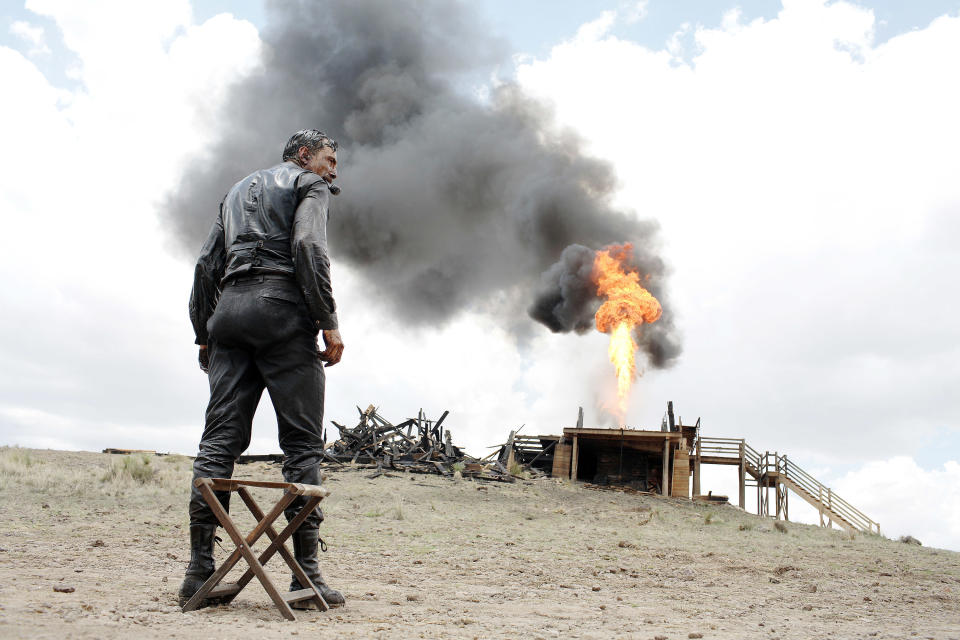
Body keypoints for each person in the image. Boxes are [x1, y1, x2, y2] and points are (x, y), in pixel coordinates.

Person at [180, 129, 346, 609]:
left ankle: (198, 574)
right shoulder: (307, 186)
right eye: (329, 160)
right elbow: (309, 249)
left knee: (217, 446)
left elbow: (205, 265)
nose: (334, 171)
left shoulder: (234, 192)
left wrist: (204, 331)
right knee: (301, 444)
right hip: (282, 314)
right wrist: (328, 322)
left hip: (228, 314)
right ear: (303, 156)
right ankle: (305, 578)